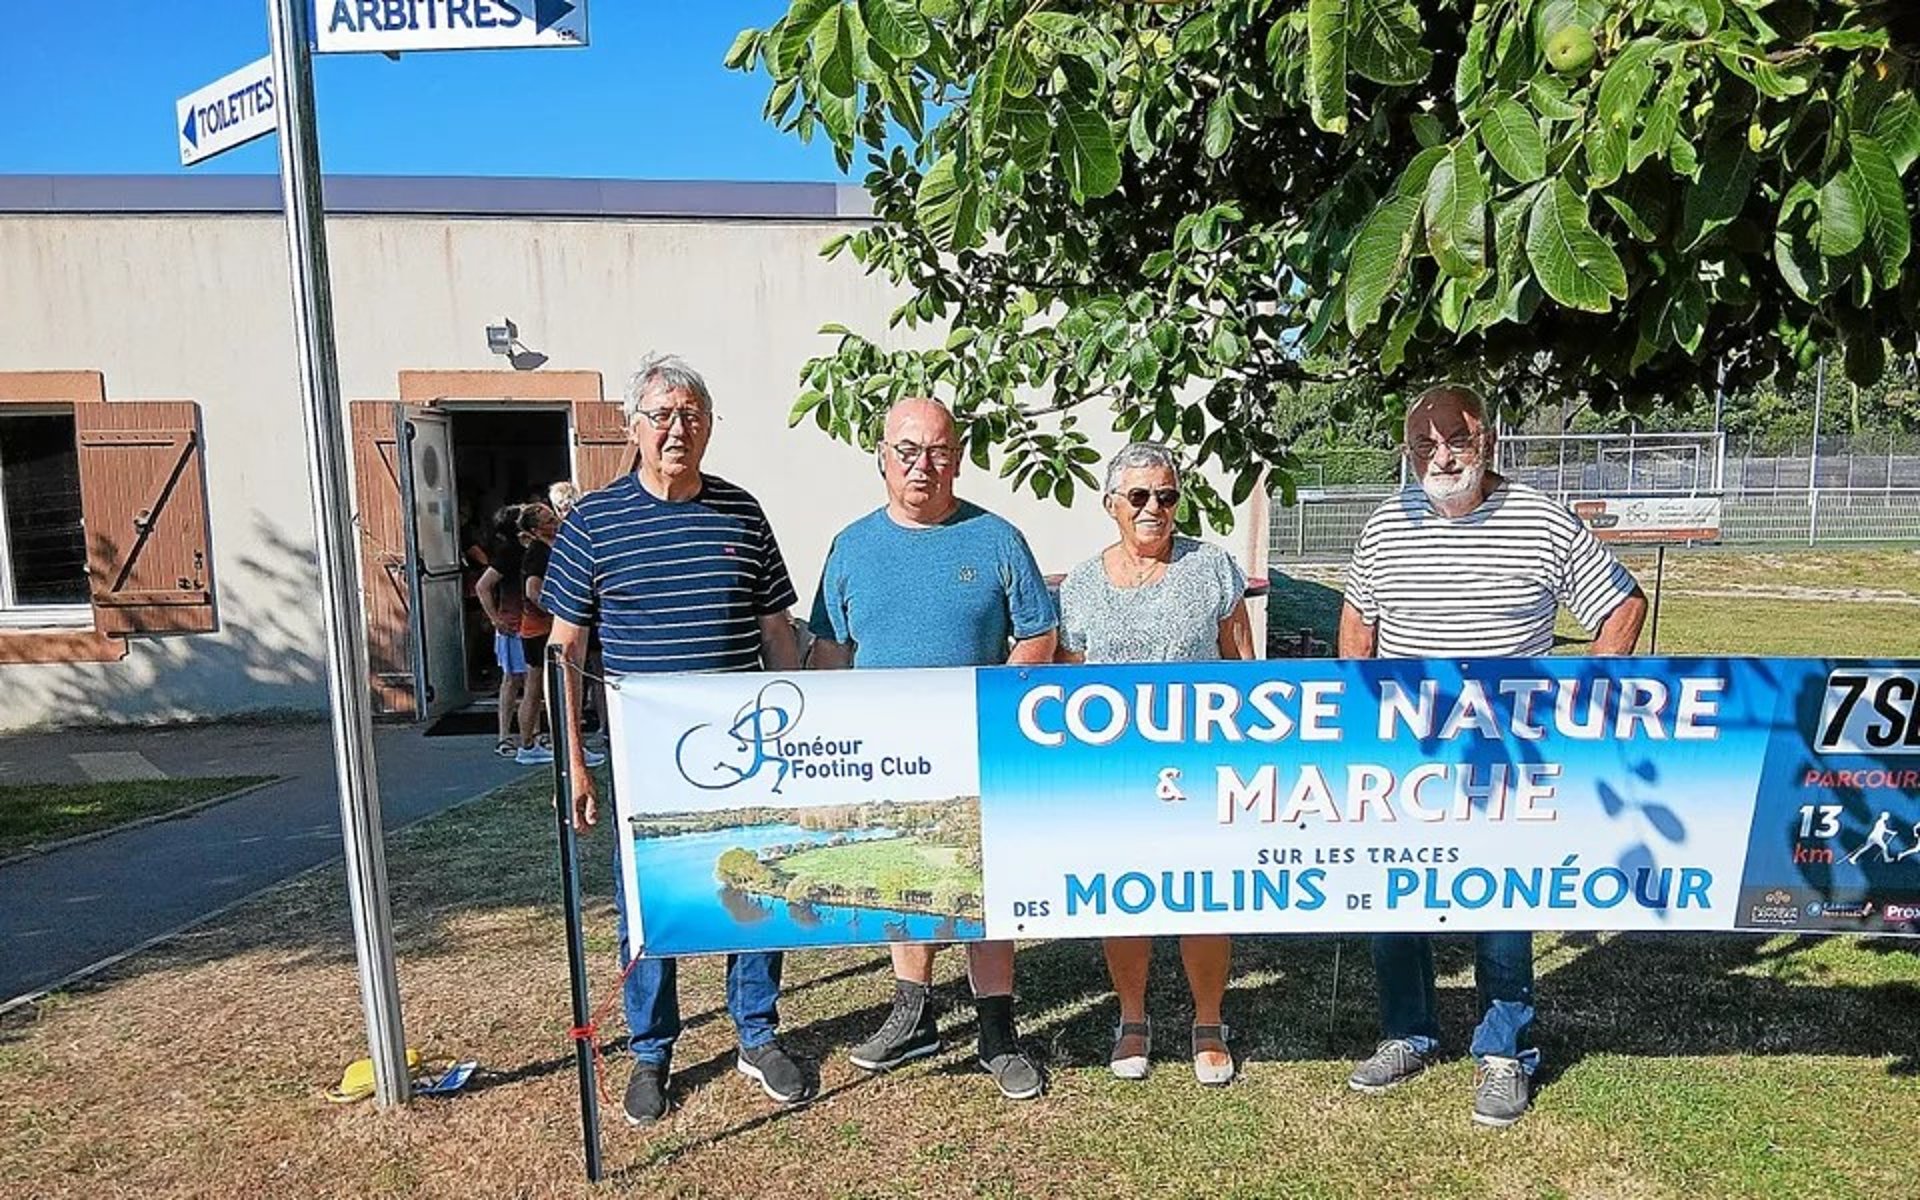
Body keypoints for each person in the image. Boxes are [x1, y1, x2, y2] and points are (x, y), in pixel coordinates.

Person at [1339, 383, 1648, 1128]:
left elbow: (1622, 603)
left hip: (1512, 752)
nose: (1442, 456)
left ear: (1489, 442)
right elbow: (1358, 618)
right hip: (1405, 751)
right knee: (1394, 891)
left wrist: (1586, 696)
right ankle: (1408, 1033)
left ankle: (1505, 1049)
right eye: (1425, 444)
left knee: (1505, 897)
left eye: (1458, 440)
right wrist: (1357, 708)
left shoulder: (1541, 520)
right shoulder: (1385, 525)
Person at [543, 353, 814, 1126]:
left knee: (754, 889)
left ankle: (756, 1035)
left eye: (691, 415)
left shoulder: (741, 513)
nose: (676, 429)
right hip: (647, 762)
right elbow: (564, 649)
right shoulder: (593, 522)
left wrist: (798, 736)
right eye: (661, 415)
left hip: (747, 752)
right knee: (649, 904)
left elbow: (776, 632)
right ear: (632, 427)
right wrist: (575, 766)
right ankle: (651, 1050)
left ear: (709, 426)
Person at [807, 397, 1058, 1101]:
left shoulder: (997, 538)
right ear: (882, 458)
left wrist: (996, 701)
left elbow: (1039, 632)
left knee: (987, 886)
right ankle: (913, 1014)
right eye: (908, 450)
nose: (923, 465)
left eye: (938, 451)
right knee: (903, 874)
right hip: (887, 754)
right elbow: (830, 648)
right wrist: (833, 735)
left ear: (958, 458)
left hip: (980, 748)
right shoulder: (851, 546)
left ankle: (998, 1032)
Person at [1054, 442, 1254, 1086]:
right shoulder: (1081, 586)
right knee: (1125, 896)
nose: (1153, 508)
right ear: (1111, 503)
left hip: (1201, 768)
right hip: (1116, 775)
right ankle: (1132, 1019)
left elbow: (1244, 668)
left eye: (1166, 496)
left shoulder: (1212, 567)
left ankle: (1208, 1022)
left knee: (1204, 898)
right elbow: (1067, 685)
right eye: (1138, 496)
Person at [518, 503, 604, 770]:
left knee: (546, 685)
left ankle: (545, 743)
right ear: (535, 529)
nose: (555, 521)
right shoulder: (538, 552)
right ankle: (530, 744)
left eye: (553, 517)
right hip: (539, 629)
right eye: (548, 520)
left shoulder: (552, 546)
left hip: (541, 628)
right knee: (540, 686)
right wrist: (561, 614)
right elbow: (532, 590)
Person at [474, 504, 526, 759]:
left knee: (533, 680)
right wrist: (495, 618)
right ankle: (504, 734)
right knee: (512, 679)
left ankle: (532, 733)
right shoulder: (509, 553)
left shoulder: (535, 549)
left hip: (530, 621)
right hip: (512, 623)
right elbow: (483, 586)